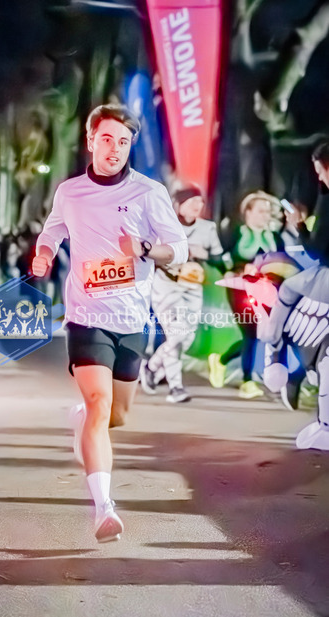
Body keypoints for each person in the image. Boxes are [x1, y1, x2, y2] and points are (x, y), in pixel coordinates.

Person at [32, 104, 188, 543]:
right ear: (90, 141)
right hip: (86, 315)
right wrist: (44, 254)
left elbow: (179, 249)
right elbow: (52, 231)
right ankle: (104, 508)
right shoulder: (70, 192)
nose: (115, 149)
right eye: (106, 139)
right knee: (100, 405)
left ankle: (83, 419)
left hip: (133, 318)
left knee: (115, 414)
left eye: (123, 141)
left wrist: (145, 249)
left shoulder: (149, 192)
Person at [140, 186, 224, 402]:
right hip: (167, 285)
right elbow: (148, 254)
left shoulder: (208, 228)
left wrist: (204, 254)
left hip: (193, 286)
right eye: (192, 201)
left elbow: (219, 258)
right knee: (176, 335)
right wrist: (176, 255)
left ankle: (151, 367)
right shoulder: (163, 226)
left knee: (187, 338)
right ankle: (176, 388)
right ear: (179, 205)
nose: (198, 205)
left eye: (200, 201)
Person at [208, 191, 284, 399]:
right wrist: (232, 270)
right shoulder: (235, 233)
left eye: (267, 212)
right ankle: (247, 382)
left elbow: (283, 262)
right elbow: (217, 256)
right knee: (250, 333)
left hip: (267, 290)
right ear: (248, 212)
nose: (265, 215)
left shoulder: (274, 237)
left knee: (262, 334)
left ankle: (221, 360)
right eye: (260, 211)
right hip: (240, 290)